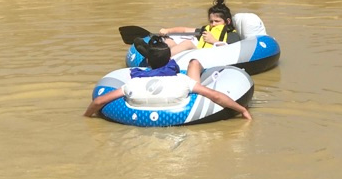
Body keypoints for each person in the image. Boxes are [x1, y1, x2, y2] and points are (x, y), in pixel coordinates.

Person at [85, 35, 251, 120]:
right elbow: (216, 96)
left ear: (148, 62)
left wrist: (86, 117)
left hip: (138, 113)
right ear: (170, 61)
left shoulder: (133, 84)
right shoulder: (183, 82)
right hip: (181, 110)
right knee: (194, 63)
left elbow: (99, 101)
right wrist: (242, 110)